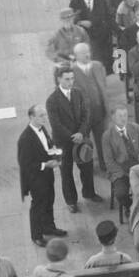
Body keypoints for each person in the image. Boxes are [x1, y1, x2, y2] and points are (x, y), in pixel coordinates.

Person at [46, 65, 99, 211]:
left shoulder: (78, 93)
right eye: (67, 79)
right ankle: (71, 202)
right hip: (62, 142)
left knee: (87, 167)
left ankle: (89, 192)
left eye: (72, 79)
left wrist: (81, 133)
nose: (70, 82)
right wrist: (72, 136)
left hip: (80, 138)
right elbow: (56, 124)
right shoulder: (52, 100)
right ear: (58, 79)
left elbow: (85, 115)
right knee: (66, 172)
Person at [17, 104, 67, 245]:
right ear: (31, 117)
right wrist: (46, 165)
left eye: (45, 115)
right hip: (36, 178)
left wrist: (54, 151)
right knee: (38, 205)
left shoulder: (42, 129)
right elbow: (25, 165)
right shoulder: (25, 138)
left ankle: (48, 227)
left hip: (47, 175)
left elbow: (47, 147)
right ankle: (36, 235)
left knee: (49, 200)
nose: (45, 118)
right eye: (41, 116)